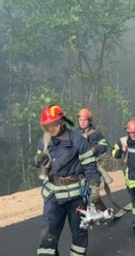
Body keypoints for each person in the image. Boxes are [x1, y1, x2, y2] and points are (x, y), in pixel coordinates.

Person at [34, 104, 102, 256]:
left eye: (52, 125)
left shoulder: (78, 141)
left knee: (79, 233)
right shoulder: (45, 141)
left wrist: (94, 189)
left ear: (61, 122)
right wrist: (38, 160)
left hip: (76, 197)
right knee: (48, 233)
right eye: (47, 126)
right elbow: (39, 159)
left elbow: (90, 167)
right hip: (53, 195)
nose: (50, 129)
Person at [74, 108, 111, 211]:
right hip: (78, 166)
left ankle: (101, 211)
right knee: (80, 192)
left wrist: (95, 148)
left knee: (93, 190)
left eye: (84, 120)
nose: (82, 122)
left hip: (92, 166)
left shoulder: (96, 133)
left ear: (89, 121)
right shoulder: (74, 133)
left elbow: (104, 145)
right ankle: (87, 212)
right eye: (80, 119)